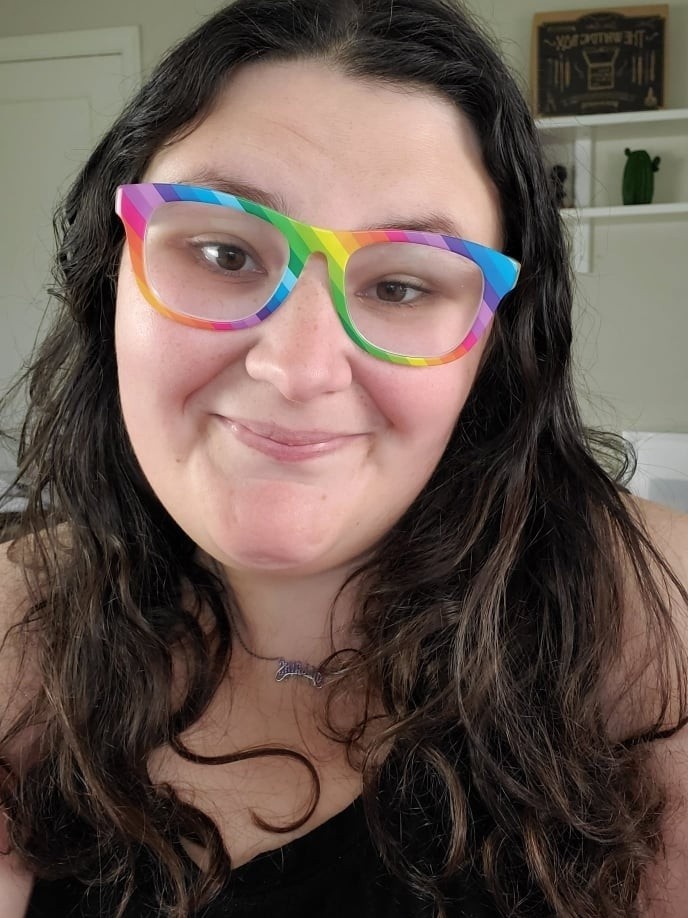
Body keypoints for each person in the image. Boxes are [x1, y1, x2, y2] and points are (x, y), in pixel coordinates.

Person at [1, 0, 687, 915]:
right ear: (109, 276)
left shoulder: (657, 629)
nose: (298, 369)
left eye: (401, 285)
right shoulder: (22, 627)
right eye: (223, 251)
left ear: (494, 351)